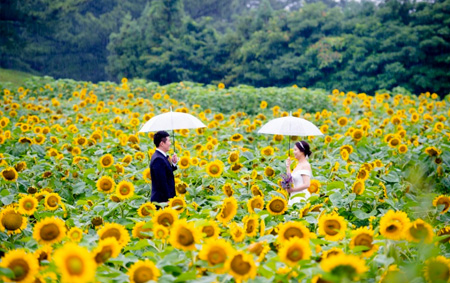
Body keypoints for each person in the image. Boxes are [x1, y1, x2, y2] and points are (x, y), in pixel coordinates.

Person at [150, 131, 178, 205]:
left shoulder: (160, 156)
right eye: (168, 141)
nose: (170, 143)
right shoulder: (158, 159)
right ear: (162, 143)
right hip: (162, 201)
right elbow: (161, 182)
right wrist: (167, 200)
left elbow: (165, 173)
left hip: (164, 199)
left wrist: (174, 163)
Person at [285, 141, 313, 206]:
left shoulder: (305, 165)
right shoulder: (298, 165)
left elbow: (306, 184)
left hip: (301, 196)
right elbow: (290, 179)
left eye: (295, 150)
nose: (293, 152)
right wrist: (288, 166)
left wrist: (292, 190)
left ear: (302, 151)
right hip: (294, 196)